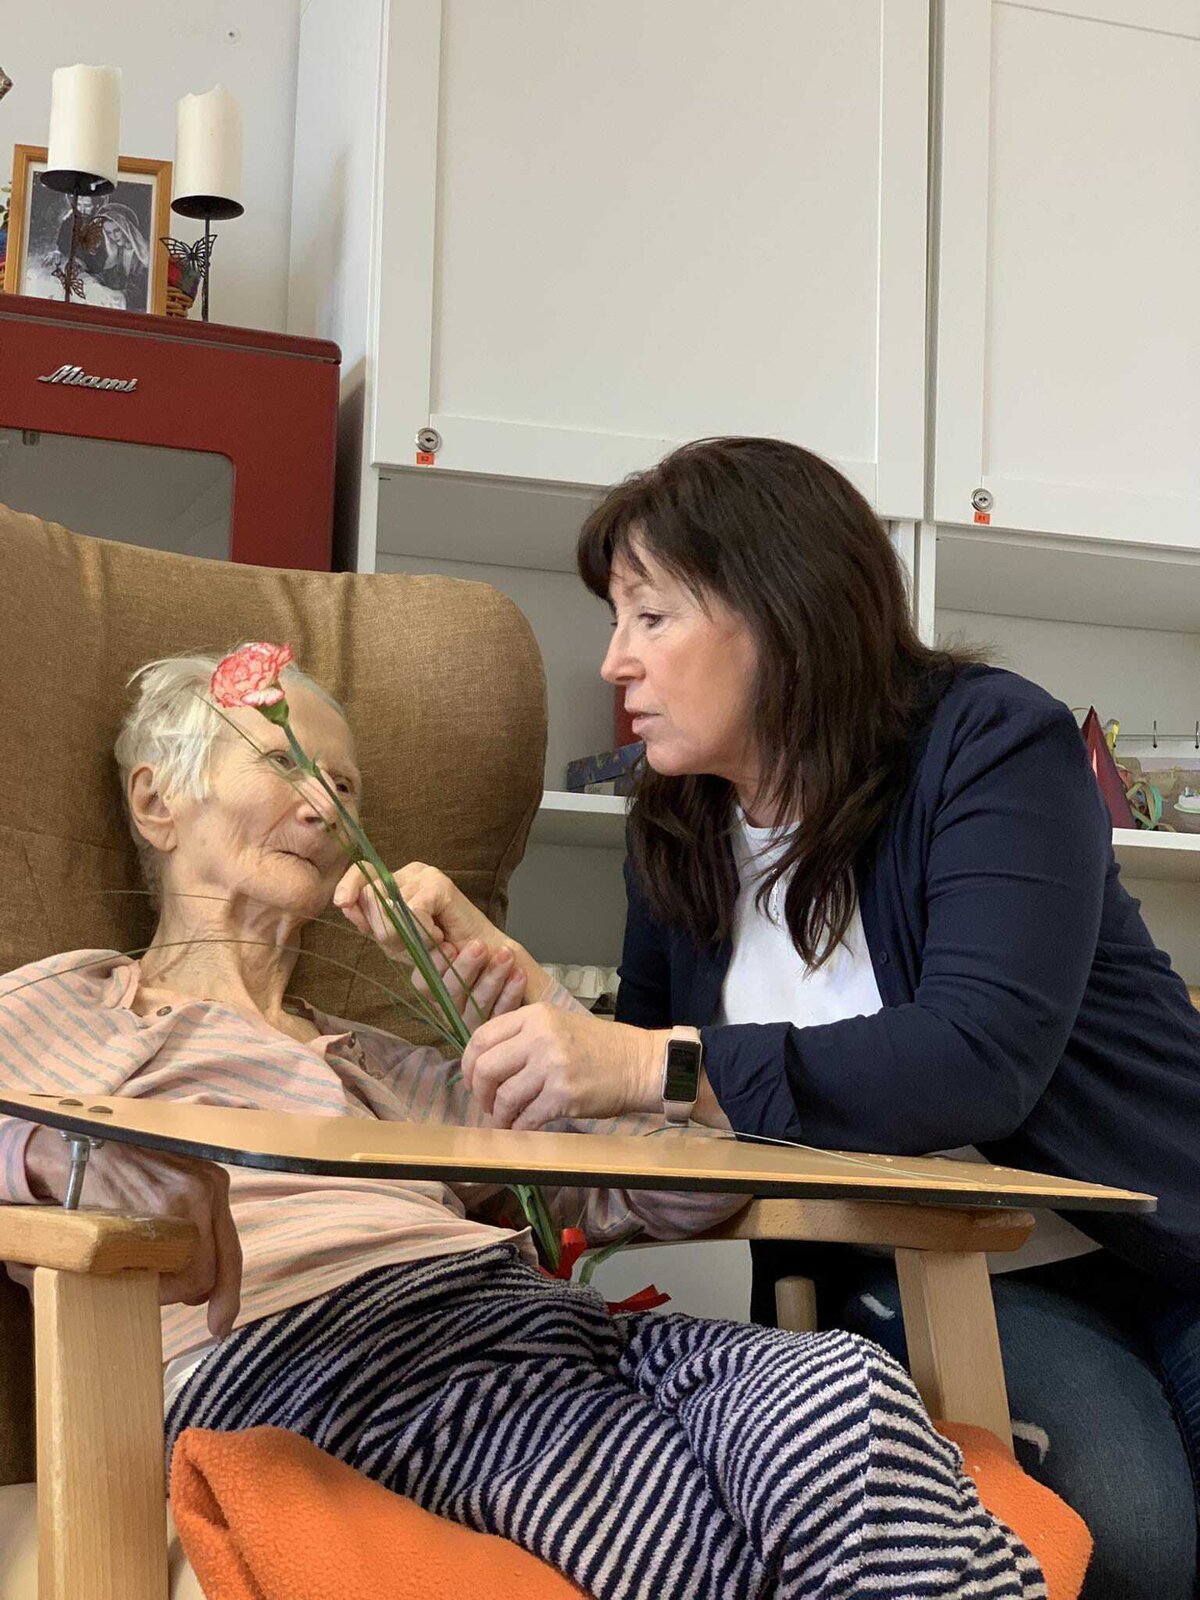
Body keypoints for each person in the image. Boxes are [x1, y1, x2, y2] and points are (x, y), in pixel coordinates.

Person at [0, 652, 1045, 1600]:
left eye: (348, 787)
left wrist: (532, 1008)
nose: (324, 805)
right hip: (319, 1356)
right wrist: (75, 1163)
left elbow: (675, 1189)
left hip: (544, 1329)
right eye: (282, 761)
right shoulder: (83, 1002)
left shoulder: (384, 1060)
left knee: (841, 1388)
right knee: (680, 1534)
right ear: (158, 802)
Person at [446, 438, 1200, 1600]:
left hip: (1169, 1231)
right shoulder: (673, 831)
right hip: (926, 1268)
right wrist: (545, 1019)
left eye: (651, 616)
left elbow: (978, 1057)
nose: (614, 660)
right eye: (616, 619)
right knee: (1137, 1544)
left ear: (776, 611)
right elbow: (653, 1122)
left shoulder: (992, 743)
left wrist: (647, 1064)